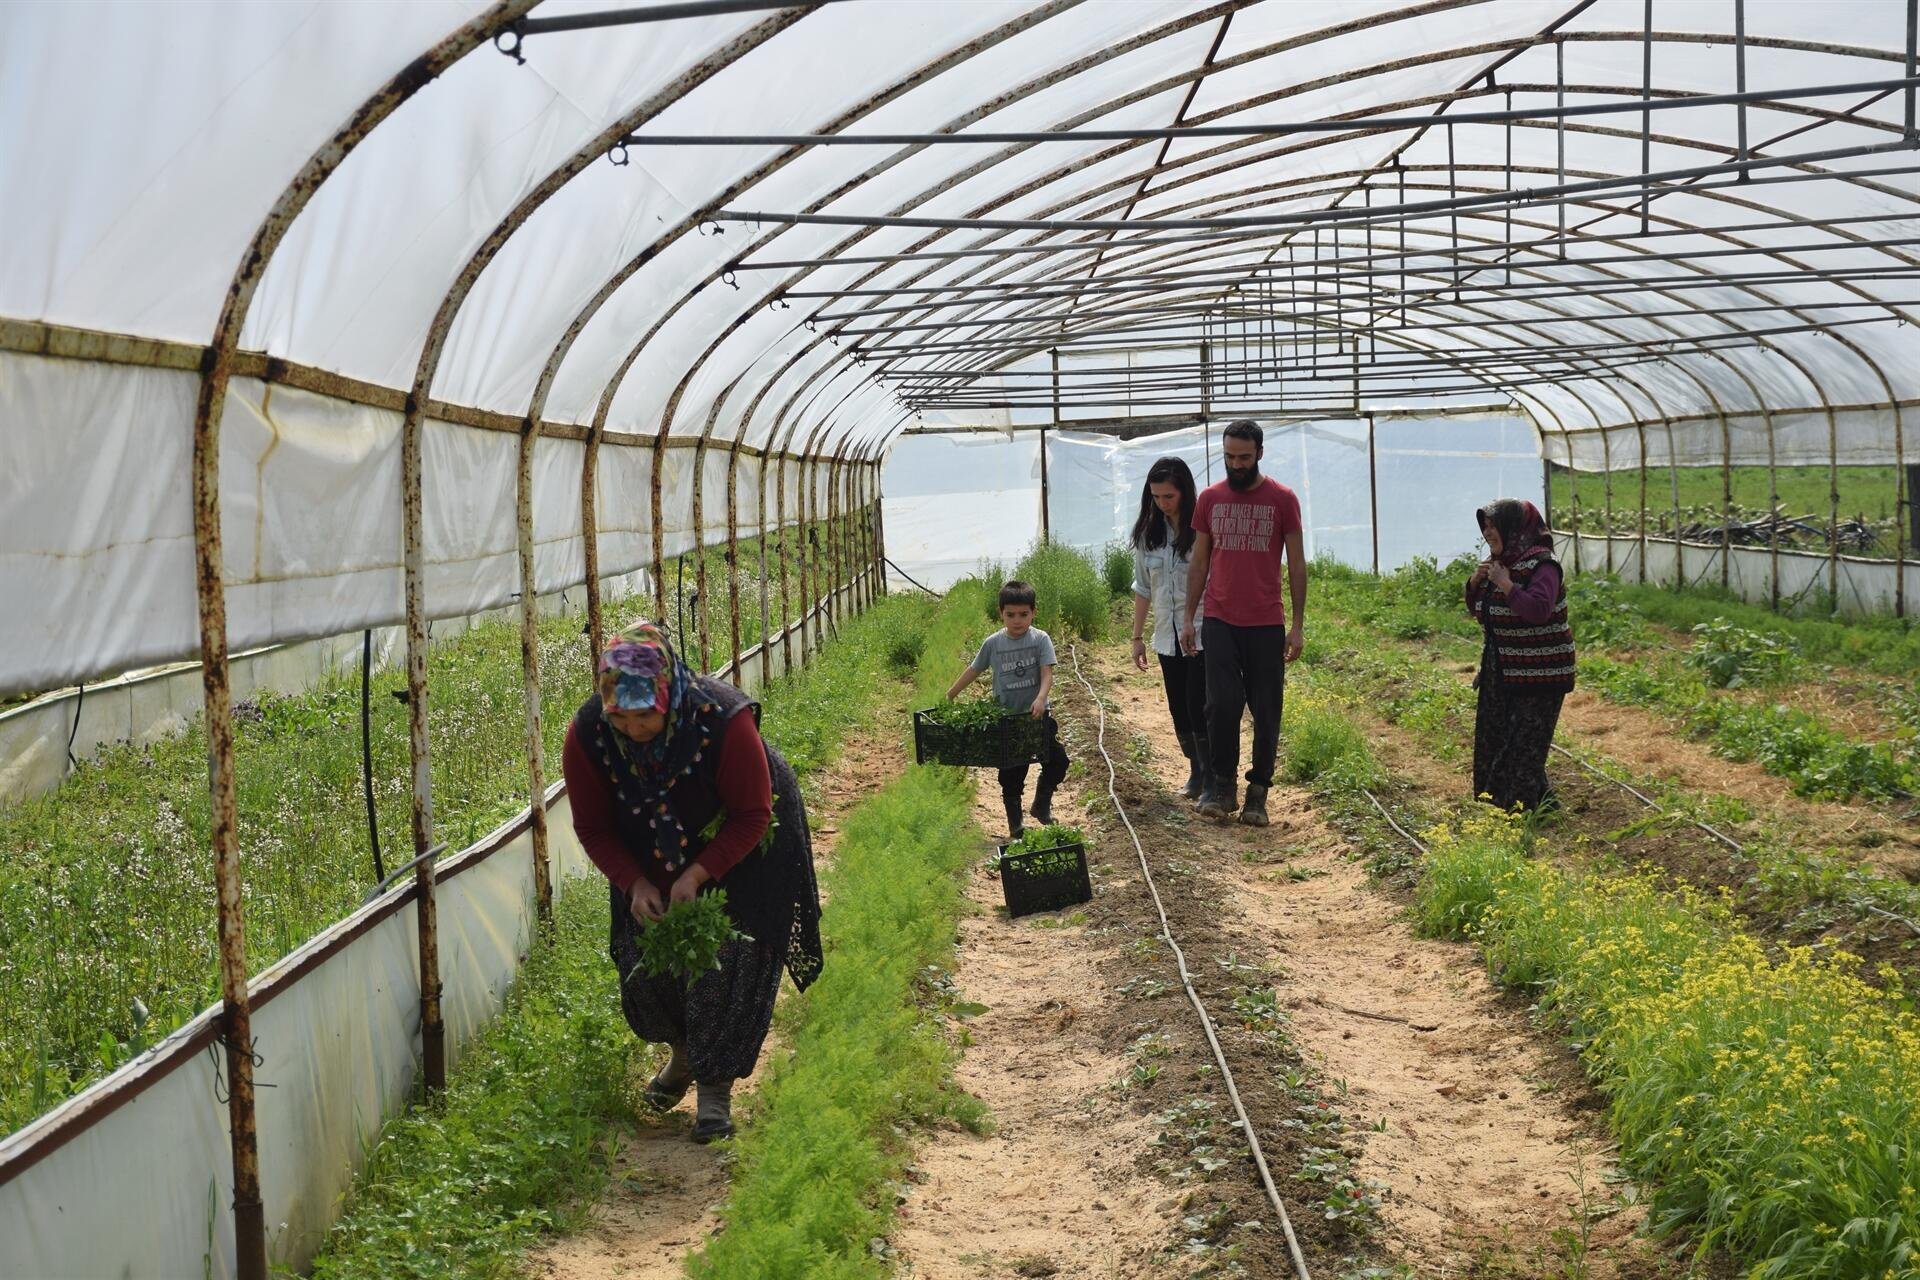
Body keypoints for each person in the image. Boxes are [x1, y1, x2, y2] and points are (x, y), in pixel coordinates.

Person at [562, 622, 823, 1144]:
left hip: (745, 844)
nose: (634, 729)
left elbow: (753, 813)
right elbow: (592, 825)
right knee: (646, 955)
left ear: (670, 695)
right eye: (623, 717)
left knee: (730, 952)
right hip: (648, 849)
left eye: (646, 716)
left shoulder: (722, 720)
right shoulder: (590, 733)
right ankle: (682, 1055)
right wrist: (634, 882)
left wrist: (700, 874)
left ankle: (715, 1091)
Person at [1181, 420, 1305, 827]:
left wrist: (1298, 624)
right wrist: (1188, 617)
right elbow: (1199, 562)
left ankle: (1258, 792)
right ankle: (1221, 785)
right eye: (1230, 456)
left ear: (1260, 454)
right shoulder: (1210, 499)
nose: (1236, 464)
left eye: (1244, 457)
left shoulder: (1282, 499)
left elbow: (1297, 563)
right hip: (1219, 619)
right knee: (1220, 703)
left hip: (1266, 622)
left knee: (1266, 708)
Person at [1465, 499, 1575, 812]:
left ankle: (1517, 811)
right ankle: (1527, 804)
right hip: (1503, 668)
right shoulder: (1500, 563)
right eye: (1484, 526)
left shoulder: (1543, 565)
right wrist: (1476, 582)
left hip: (1541, 672)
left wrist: (1507, 585)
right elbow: (1478, 609)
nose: (1487, 532)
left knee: (1523, 743)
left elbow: (1539, 610)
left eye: (1493, 525)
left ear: (1514, 528)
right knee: (1497, 738)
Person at [946, 579, 1072, 841]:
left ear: (1034, 612)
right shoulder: (993, 644)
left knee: (1058, 761)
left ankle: (1041, 804)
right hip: (1007, 722)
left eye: (1024, 615)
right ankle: (1016, 825)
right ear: (1000, 613)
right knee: (1012, 774)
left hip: (1036, 718)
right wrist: (951, 693)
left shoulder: (1040, 640)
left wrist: (1040, 698)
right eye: (1011, 615)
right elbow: (974, 669)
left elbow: (1047, 674)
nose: (1017, 621)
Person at [1128, 457, 1209, 800]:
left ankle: (1212, 775)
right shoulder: (1150, 535)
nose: (1162, 504)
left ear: (1185, 492)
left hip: (1203, 632)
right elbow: (1143, 587)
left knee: (1199, 703)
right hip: (1167, 635)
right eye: (1156, 497)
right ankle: (1196, 770)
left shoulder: (1202, 531)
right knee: (1178, 706)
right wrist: (1136, 637)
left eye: (1169, 496)